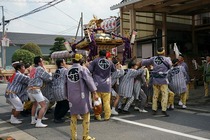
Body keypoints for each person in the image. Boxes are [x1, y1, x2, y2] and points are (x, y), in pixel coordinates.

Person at [66, 53, 98, 140]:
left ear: (73, 60)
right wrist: (94, 92)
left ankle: (73, 137)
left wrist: (66, 95)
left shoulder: (67, 70)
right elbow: (89, 82)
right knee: (86, 115)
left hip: (71, 96)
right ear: (81, 60)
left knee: (73, 115)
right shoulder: (83, 69)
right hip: (82, 95)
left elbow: (64, 84)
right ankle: (85, 136)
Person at [141, 47, 172, 117]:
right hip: (163, 80)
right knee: (164, 95)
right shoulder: (167, 59)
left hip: (155, 80)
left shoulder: (153, 58)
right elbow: (170, 66)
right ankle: (164, 110)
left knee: (155, 95)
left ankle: (154, 109)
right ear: (163, 52)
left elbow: (144, 62)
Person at [88, 50, 116, 121]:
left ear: (99, 54)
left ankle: (98, 116)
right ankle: (107, 116)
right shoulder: (109, 62)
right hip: (107, 84)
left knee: (97, 101)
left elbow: (89, 70)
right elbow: (114, 70)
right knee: (106, 102)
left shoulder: (95, 61)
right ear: (106, 55)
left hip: (97, 84)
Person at [28, 56, 52, 128]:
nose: (43, 62)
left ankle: (33, 120)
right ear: (39, 62)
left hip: (30, 90)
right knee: (44, 105)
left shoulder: (33, 68)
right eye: (42, 61)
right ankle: (38, 122)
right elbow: (48, 78)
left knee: (35, 104)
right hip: (36, 89)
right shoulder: (40, 68)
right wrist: (48, 71)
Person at [52, 59, 69, 123]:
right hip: (61, 89)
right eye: (64, 62)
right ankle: (59, 117)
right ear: (61, 63)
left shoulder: (57, 70)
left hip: (55, 89)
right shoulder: (64, 70)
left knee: (59, 104)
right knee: (66, 105)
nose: (65, 62)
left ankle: (56, 117)